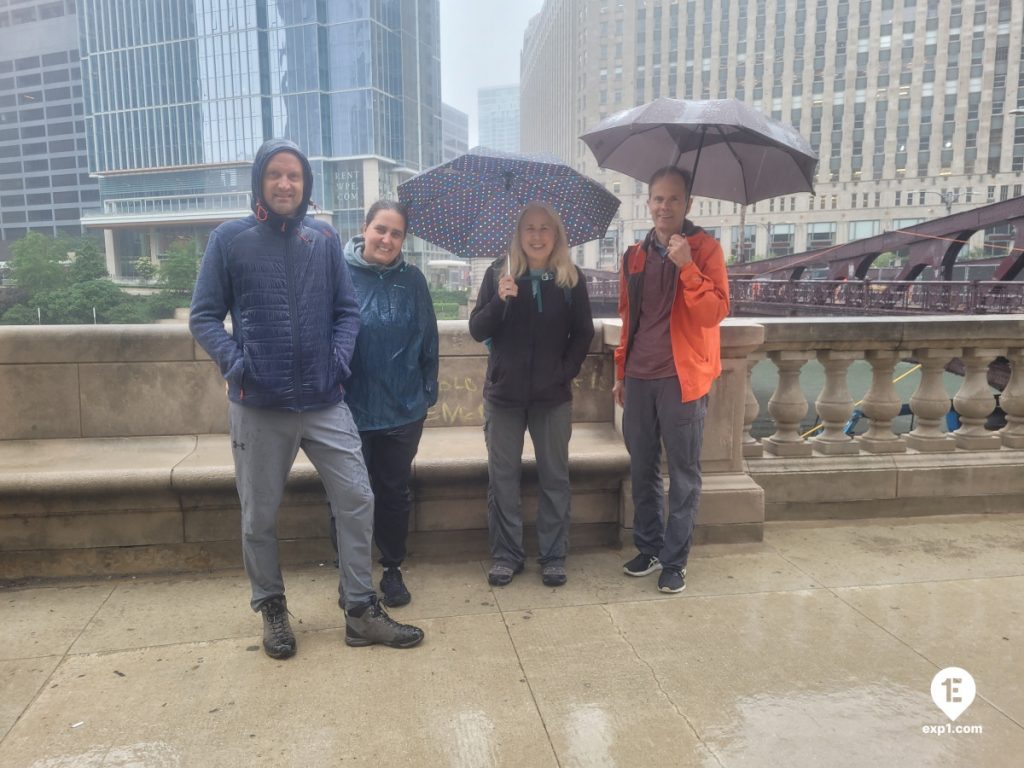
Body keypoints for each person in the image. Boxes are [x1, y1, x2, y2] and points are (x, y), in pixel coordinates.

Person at [189, 139, 424, 658]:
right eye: (275, 174)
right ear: (260, 181)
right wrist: (237, 363)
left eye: (294, 175)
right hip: (259, 405)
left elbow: (347, 312)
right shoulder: (230, 240)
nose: (285, 184)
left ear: (306, 184)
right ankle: (271, 608)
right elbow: (204, 316)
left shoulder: (321, 239)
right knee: (259, 515)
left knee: (358, 499)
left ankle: (360, 610)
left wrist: (337, 361)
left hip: (323, 401)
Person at [614, 166, 730, 594]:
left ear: (688, 205)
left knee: (684, 474)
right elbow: (629, 319)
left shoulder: (705, 250)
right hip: (640, 376)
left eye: (674, 199)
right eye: (658, 199)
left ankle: (675, 561)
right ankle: (648, 547)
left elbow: (714, 313)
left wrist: (688, 268)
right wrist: (621, 372)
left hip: (683, 377)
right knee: (642, 468)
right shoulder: (634, 255)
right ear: (648, 203)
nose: (665, 207)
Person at [468, 202, 595, 588]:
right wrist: (499, 299)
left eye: (545, 228)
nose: (537, 236)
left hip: (552, 398)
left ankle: (553, 555)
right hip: (503, 395)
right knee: (502, 478)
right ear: (518, 235)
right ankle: (507, 555)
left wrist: (563, 372)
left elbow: (583, 333)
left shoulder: (570, 280)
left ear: (556, 235)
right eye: (529, 228)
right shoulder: (497, 273)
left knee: (554, 477)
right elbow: (477, 329)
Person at [327, 200, 439, 608]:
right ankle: (350, 574)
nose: (387, 239)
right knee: (347, 496)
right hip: (345, 410)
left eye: (396, 233)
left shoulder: (413, 281)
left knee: (393, 492)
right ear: (364, 228)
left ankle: (392, 567)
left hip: (402, 411)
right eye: (380, 229)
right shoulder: (337, 275)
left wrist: (426, 394)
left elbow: (428, 339)